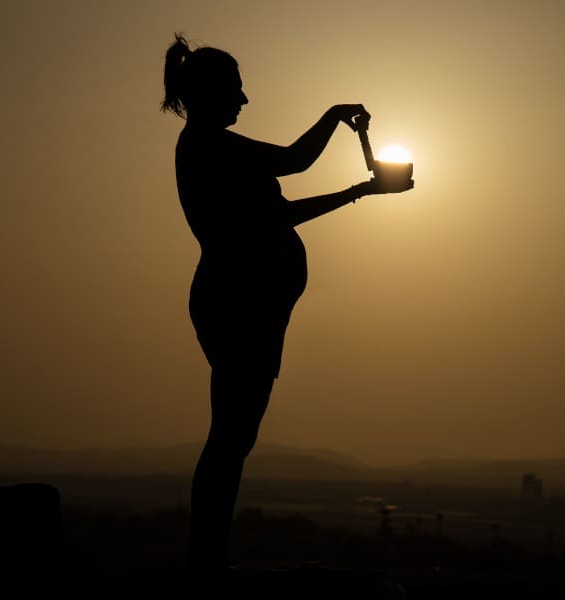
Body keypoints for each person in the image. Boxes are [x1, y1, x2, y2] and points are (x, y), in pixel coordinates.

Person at [161, 33, 412, 570]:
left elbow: (280, 216)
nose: (245, 100)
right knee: (229, 439)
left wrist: (358, 193)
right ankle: (206, 559)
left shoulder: (216, 149)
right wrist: (334, 114)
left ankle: (209, 555)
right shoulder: (212, 147)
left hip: (250, 306)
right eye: (237, 89)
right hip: (238, 306)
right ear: (212, 92)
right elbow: (296, 161)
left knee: (235, 437)